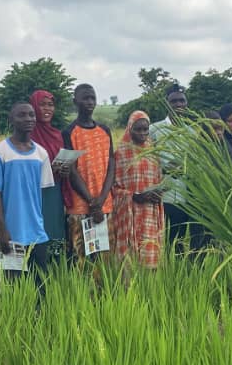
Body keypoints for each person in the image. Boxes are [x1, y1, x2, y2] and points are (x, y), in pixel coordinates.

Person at [0, 102, 54, 288]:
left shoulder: (41, 154)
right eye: (22, 115)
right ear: (11, 119)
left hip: (37, 233)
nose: (29, 119)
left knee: (40, 287)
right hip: (11, 234)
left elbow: (42, 194)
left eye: (31, 115)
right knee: (11, 287)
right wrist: (2, 230)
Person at [150, 84, 209, 254]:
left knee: (181, 241)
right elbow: (146, 160)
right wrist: (164, 167)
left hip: (185, 196)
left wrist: (185, 167)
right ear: (167, 104)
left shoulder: (191, 132)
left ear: (186, 103)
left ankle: (179, 273)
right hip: (163, 195)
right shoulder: (155, 129)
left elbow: (195, 162)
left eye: (182, 101)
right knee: (164, 240)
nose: (178, 105)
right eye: (174, 101)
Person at [61, 84, 114, 258]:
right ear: (75, 101)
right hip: (80, 208)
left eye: (93, 98)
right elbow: (72, 171)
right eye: (85, 98)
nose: (90, 102)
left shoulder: (104, 131)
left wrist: (101, 199)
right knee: (80, 259)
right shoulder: (69, 133)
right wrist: (92, 202)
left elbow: (111, 163)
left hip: (105, 205)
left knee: (104, 259)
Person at [111, 111, 164, 269]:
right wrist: (134, 196)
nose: (142, 133)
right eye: (138, 129)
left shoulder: (153, 154)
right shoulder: (120, 155)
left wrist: (158, 193)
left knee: (150, 259)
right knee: (129, 262)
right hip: (129, 213)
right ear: (129, 129)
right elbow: (113, 188)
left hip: (149, 212)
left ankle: (150, 291)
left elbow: (159, 180)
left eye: (145, 129)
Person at [28, 89, 70, 260]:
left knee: (55, 232)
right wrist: (48, 172)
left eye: (50, 105)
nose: (47, 109)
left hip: (55, 194)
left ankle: (56, 274)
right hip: (35, 195)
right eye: (42, 104)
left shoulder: (57, 135)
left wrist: (65, 170)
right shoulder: (27, 136)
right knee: (37, 237)